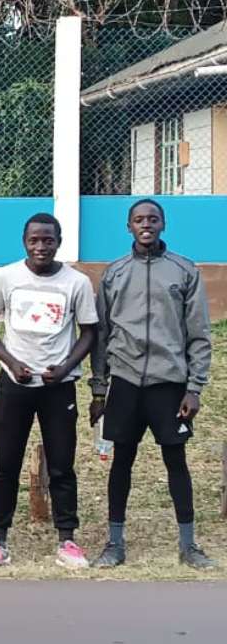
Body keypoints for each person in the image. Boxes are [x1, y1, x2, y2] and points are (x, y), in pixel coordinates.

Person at [89, 199, 215, 570]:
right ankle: (114, 543)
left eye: (153, 219)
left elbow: (199, 333)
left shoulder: (184, 270)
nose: (146, 224)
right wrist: (99, 389)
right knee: (121, 461)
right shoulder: (114, 273)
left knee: (176, 460)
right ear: (128, 226)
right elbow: (101, 334)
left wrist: (194, 388)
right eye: (139, 219)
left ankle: (188, 545)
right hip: (126, 382)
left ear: (163, 224)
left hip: (169, 384)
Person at [0, 213, 96, 570]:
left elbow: (89, 332)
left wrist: (66, 367)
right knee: (5, 464)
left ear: (59, 242)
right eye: (34, 240)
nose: (41, 247)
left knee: (62, 465)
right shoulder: (5, 277)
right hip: (15, 385)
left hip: (59, 387)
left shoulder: (77, 282)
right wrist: (11, 362)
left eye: (48, 240)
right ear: (24, 242)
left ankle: (67, 540)